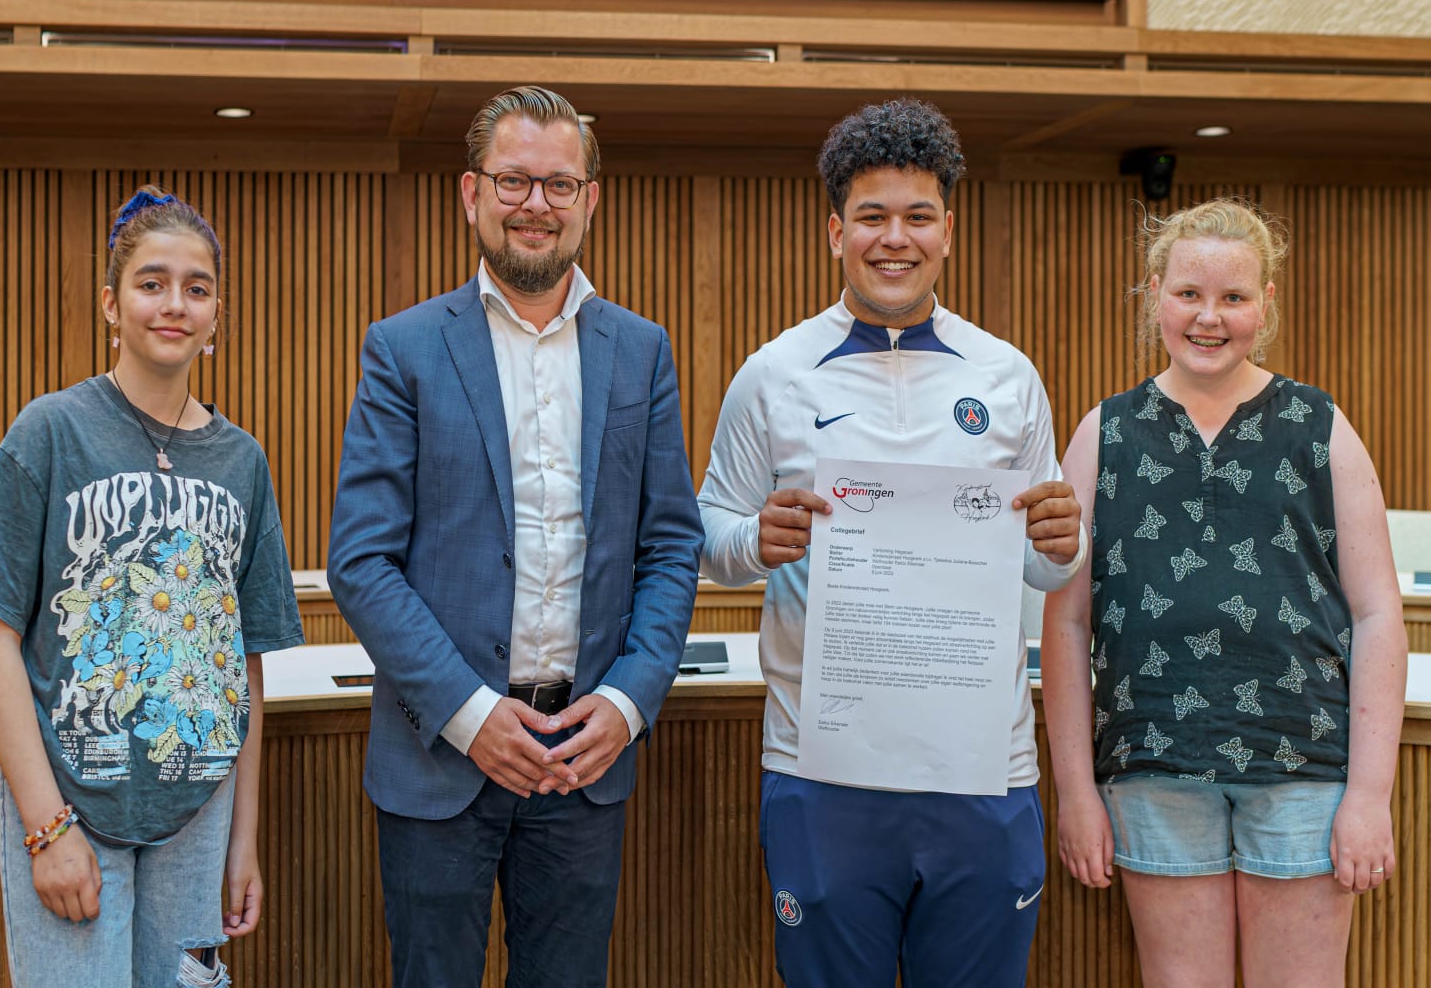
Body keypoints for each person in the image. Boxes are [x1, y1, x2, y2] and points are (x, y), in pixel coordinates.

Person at [697, 98, 1084, 988]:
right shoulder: (773, 373)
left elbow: (1041, 558)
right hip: (822, 765)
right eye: (871, 216)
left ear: (949, 228)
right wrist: (758, 538)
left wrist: (1065, 543)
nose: (893, 239)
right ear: (836, 230)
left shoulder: (1007, 374)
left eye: (917, 216)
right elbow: (707, 535)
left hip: (982, 766)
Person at [327, 85, 703, 988]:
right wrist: (470, 713)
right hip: (439, 760)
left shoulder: (641, 351)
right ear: (471, 194)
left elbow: (671, 545)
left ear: (590, 200)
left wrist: (625, 704)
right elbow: (363, 560)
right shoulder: (404, 348)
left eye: (559, 185)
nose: (536, 204)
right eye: (514, 181)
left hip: (584, 756)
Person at [1041, 198, 1405, 987]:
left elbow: (1379, 615)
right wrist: (1075, 793)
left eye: (1234, 298)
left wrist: (1370, 796)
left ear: (1266, 304)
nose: (1210, 317)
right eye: (1189, 295)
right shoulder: (1102, 434)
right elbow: (1066, 626)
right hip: (1152, 763)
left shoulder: (1320, 425)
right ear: (1153, 294)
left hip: (1305, 766)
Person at [0, 185, 304, 986]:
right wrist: (46, 828)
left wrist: (243, 839)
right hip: (73, 800)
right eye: (151, 283)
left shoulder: (243, 463)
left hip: (198, 815)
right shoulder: (50, 431)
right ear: (111, 304)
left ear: (217, 314)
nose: (173, 304)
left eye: (197, 287)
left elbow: (240, 663)